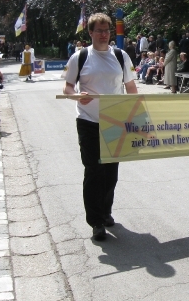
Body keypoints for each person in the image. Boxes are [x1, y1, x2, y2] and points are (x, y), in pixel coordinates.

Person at [63, 13, 137, 241]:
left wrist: (136, 116)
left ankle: (106, 212)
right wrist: (76, 96)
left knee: (111, 173)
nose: (104, 35)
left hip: (115, 121)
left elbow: (131, 87)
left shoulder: (121, 55)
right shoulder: (80, 57)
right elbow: (67, 87)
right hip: (88, 121)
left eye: (107, 31)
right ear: (91, 33)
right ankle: (95, 221)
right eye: (99, 31)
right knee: (94, 171)